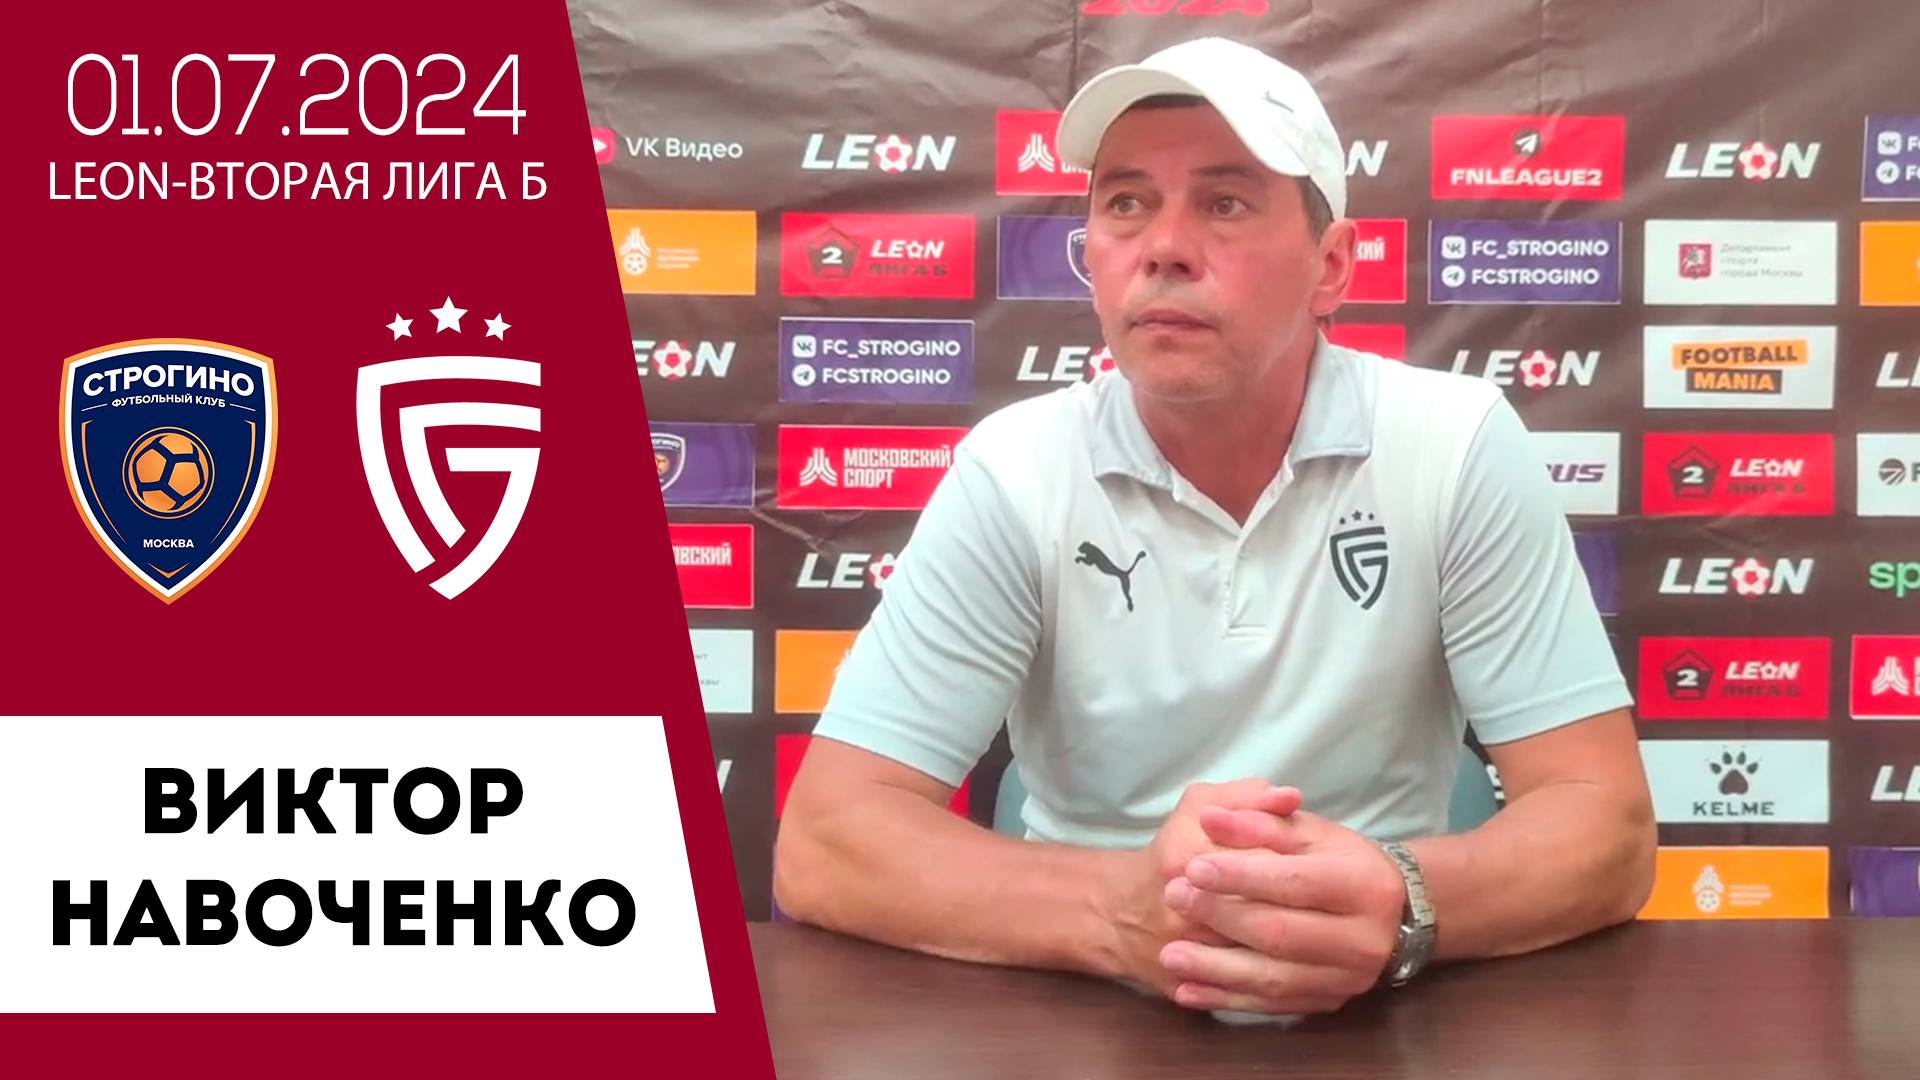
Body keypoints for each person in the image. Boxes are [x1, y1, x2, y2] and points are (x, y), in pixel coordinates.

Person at [774, 36, 1655, 1018]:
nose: (1163, 246)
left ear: (1331, 266)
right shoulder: (1017, 469)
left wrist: (1402, 898)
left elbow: (1606, 828)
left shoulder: (1452, 443)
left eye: (1225, 203)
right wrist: (1120, 913)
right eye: (1126, 203)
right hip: (1085, 1008)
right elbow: (826, 840)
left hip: (1387, 1008)